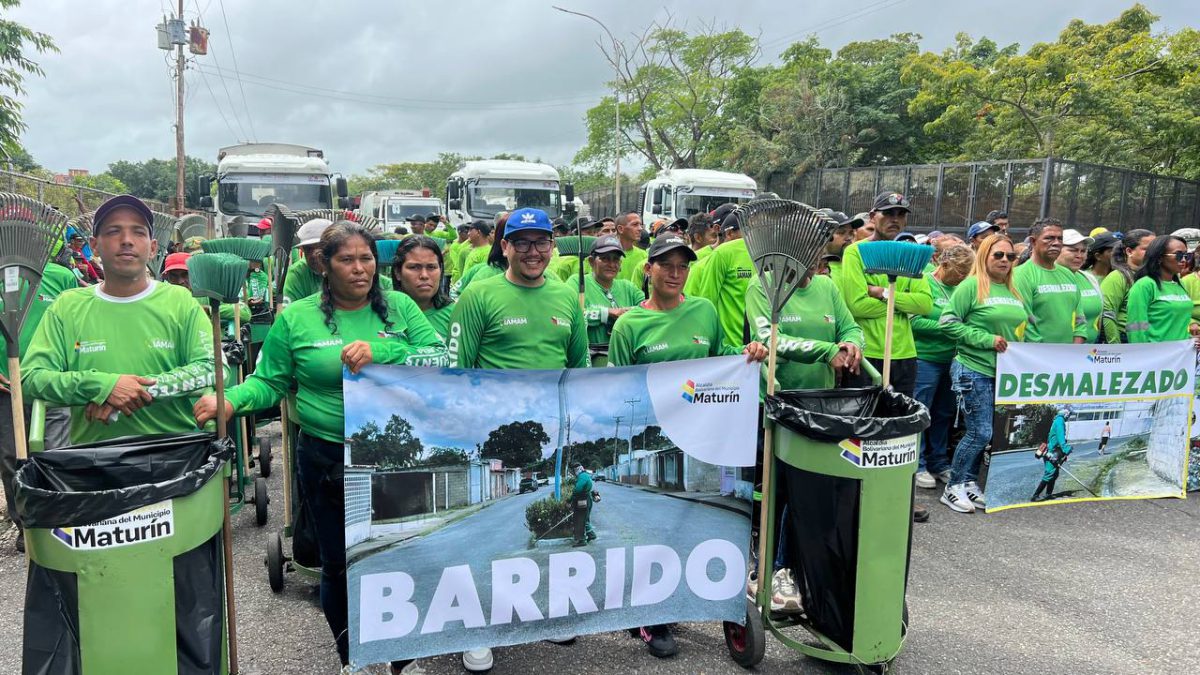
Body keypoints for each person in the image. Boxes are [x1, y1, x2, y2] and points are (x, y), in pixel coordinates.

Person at [194, 221, 446, 673]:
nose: (358, 268)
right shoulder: (297, 318)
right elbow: (270, 382)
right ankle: (352, 655)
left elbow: (439, 358)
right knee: (340, 564)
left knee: (401, 556)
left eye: (366, 258)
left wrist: (383, 352)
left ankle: (401, 660)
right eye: (346, 259)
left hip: (398, 456)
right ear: (323, 265)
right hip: (327, 456)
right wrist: (230, 401)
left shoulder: (403, 308)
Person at [609, 234, 767, 658]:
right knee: (657, 528)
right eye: (666, 265)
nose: (675, 274)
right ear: (648, 269)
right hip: (656, 438)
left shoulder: (704, 310)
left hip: (706, 436)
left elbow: (723, 360)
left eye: (683, 266)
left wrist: (747, 351)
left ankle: (715, 599)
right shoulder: (629, 325)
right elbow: (616, 387)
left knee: (709, 520)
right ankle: (651, 615)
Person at [447, 208, 588, 671]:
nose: (533, 251)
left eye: (542, 242)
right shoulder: (479, 294)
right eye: (522, 242)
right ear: (504, 246)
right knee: (495, 540)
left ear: (554, 246)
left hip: (551, 436)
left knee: (557, 522)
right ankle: (479, 627)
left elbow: (580, 369)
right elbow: (457, 369)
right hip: (495, 433)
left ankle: (549, 612)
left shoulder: (567, 297)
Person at [22, 195, 214, 445]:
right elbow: (30, 378)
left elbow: (212, 367)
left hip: (176, 453)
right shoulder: (67, 307)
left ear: (153, 247)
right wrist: (102, 386)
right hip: (91, 460)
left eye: (138, 232)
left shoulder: (180, 301)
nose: (126, 241)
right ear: (94, 246)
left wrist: (138, 392)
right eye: (114, 232)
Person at [938, 234, 1028, 513]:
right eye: (998, 255)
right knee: (980, 432)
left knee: (986, 434)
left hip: (1003, 373)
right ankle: (953, 487)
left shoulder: (1014, 291)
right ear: (984, 256)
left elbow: (1023, 330)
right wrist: (985, 339)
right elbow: (947, 323)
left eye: (1010, 256)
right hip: (972, 368)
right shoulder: (971, 286)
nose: (1004, 261)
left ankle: (968, 482)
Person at [0, 251, 78, 552]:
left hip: (51, 383)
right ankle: (27, 525)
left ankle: (61, 518)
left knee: (57, 452)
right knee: (11, 459)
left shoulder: (60, 277)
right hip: (7, 388)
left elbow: (75, 321)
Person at [839, 191, 932, 397]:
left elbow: (925, 304)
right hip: (866, 354)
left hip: (905, 355)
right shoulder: (855, 252)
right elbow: (857, 305)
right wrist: (903, 304)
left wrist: (882, 293)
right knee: (863, 423)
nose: (895, 219)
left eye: (900, 214)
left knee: (899, 423)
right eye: (888, 213)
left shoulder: (911, 253)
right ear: (873, 216)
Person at [912, 242, 975, 489]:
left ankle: (938, 461)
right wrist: (948, 326)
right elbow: (914, 321)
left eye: (966, 274)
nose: (962, 278)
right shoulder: (924, 283)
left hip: (952, 359)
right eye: (959, 272)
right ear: (943, 263)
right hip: (925, 358)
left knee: (944, 413)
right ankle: (918, 464)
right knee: (921, 410)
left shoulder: (962, 288)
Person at [688, 203, 756, 351]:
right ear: (726, 231)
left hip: (759, 348)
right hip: (727, 351)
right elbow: (705, 304)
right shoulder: (699, 263)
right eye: (743, 228)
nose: (748, 234)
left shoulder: (764, 254)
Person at [567, 235, 644, 363]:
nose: (612, 264)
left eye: (616, 259)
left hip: (626, 354)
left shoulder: (628, 287)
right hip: (590, 356)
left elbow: (647, 308)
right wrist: (607, 313)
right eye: (605, 259)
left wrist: (629, 312)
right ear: (591, 261)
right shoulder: (577, 283)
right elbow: (572, 316)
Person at [1013, 218, 1086, 344]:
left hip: (1068, 357)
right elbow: (1025, 322)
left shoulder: (1068, 274)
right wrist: (1045, 356)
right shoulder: (1020, 275)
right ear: (1033, 241)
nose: (1056, 243)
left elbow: (1079, 319)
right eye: (1049, 238)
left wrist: (1075, 349)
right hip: (1037, 357)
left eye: (1060, 239)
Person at [1126, 235, 1199, 344]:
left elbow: (1177, 326)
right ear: (1159, 257)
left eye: (1186, 255)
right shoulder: (1145, 285)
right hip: (1156, 355)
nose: (1184, 260)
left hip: (1180, 355)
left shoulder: (1180, 285)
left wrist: (1189, 339)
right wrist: (1141, 354)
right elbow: (1136, 327)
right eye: (1178, 255)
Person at [391, 235, 454, 342]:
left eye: (431, 267)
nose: (424, 275)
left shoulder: (455, 315)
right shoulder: (381, 313)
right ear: (398, 272)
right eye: (414, 267)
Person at [1100, 228, 1153, 343]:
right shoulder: (1117, 277)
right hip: (1124, 339)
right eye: (1146, 249)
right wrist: (1115, 345)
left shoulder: (1154, 278)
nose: (1152, 253)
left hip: (1150, 339)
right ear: (1129, 251)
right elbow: (1107, 314)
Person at [1055, 229, 1102, 343]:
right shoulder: (1046, 278)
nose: (1079, 256)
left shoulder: (1089, 278)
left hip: (1090, 352)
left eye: (1083, 251)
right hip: (1056, 352)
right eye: (1073, 250)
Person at [1032, 407, 1074, 502]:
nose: (1069, 417)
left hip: (1053, 451)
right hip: (1052, 452)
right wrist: (1066, 449)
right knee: (1050, 473)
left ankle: (1048, 494)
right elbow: (1060, 437)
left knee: (1054, 474)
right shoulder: (1060, 421)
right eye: (1069, 415)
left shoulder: (1057, 420)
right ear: (1066, 414)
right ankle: (1035, 496)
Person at [821, 210, 864, 285]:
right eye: (841, 232)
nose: (849, 238)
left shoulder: (858, 265)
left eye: (851, 233)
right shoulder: (817, 271)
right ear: (825, 236)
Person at [614, 212, 649, 285]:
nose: (640, 228)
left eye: (640, 225)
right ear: (620, 229)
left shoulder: (644, 256)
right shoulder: (606, 256)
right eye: (635, 225)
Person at [570, 463, 596, 547]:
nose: (574, 473)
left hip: (582, 500)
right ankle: (591, 535)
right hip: (586, 499)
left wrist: (570, 499)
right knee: (585, 519)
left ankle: (581, 540)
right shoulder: (585, 475)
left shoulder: (582, 476)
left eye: (574, 471)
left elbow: (577, 489)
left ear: (577, 469)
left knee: (579, 520)